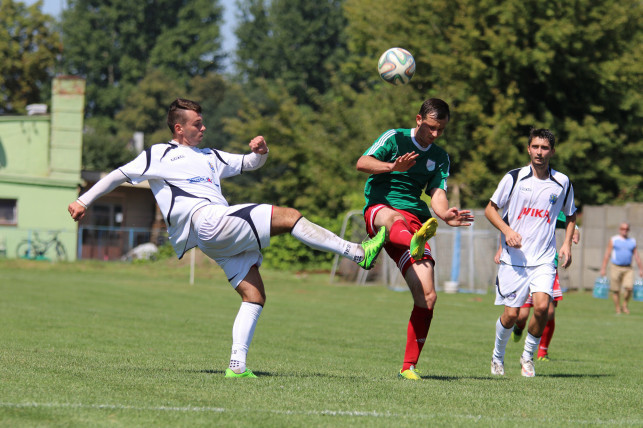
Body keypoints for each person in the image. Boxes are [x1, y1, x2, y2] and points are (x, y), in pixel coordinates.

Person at [68, 98, 387, 379]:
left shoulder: (209, 156)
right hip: (206, 221)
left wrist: (261, 152)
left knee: (254, 295)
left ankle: (236, 365)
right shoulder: (160, 154)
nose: (203, 127)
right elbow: (118, 175)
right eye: (197, 123)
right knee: (289, 216)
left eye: (203, 122)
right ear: (179, 128)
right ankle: (357, 253)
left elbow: (247, 163)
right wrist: (84, 200)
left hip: (213, 234)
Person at [356, 98, 474, 380]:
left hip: (414, 221)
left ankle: (408, 367)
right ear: (418, 119)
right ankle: (396, 241)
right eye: (431, 127)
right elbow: (362, 163)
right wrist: (392, 167)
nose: (435, 134)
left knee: (428, 296)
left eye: (441, 130)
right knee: (394, 220)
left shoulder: (440, 157)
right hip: (381, 210)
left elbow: (437, 192)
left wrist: (444, 214)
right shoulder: (394, 138)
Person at [485, 128, 576, 377]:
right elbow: (490, 209)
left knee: (542, 308)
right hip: (514, 260)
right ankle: (497, 356)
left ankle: (528, 357)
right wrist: (507, 231)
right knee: (511, 315)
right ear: (528, 149)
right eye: (535, 146)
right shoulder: (513, 178)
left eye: (544, 148)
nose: (539, 152)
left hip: (544, 259)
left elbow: (571, 215)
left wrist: (566, 244)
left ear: (552, 151)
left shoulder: (562, 182)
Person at [501, 212, 580, 361]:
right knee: (521, 315)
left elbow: (569, 219)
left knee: (548, 311)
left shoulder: (550, 202)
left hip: (546, 264)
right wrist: (501, 248)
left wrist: (575, 231)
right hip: (523, 264)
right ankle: (519, 326)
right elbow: (504, 222)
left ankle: (541, 352)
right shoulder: (522, 203)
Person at [599, 223, 642, 314]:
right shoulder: (614, 240)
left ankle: (624, 305)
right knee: (616, 290)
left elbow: (637, 256)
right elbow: (607, 254)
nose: (624, 230)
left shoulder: (632, 241)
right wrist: (603, 268)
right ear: (620, 229)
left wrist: (641, 269)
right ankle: (618, 308)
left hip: (628, 268)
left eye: (626, 229)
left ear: (628, 230)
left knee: (629, 288)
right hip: (615, 267)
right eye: (623, 228)